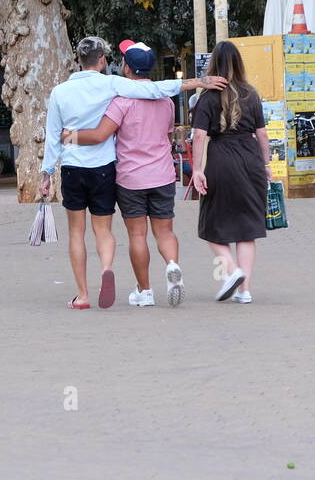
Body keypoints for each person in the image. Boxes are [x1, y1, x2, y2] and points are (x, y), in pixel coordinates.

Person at [40, 35, 226, 310]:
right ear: (102, 60)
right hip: (117, 170)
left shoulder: (63, 92)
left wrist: (46, 172)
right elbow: (155, 91)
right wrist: (198, 82)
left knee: (79, 233)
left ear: (79, 60)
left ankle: (87, 295)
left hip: (82, 170)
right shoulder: (116, 86)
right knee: (109, 230)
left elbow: (54, 135)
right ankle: (115, 267)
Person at [59, 41, 184, 308]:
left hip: (131, 178)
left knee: (137, 235)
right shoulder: (165, 102)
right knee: (164, 232)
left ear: (127, 68)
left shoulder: (121, 102)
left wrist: (71, 137)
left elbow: (101, 135)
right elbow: (168, 134)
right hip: (162, 175)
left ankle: (145, 291)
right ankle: (172, 265)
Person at [189, 41, 270, 303]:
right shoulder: (251, 93)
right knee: (247, 227)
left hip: (221, 160)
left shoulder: (208, 98)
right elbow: (262, 133)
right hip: (250, 158)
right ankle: (244, 290)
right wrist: (266, 164)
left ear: (214, 63)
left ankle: (232, 270)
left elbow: (200, 136)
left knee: (212, 224)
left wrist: (197, 170)